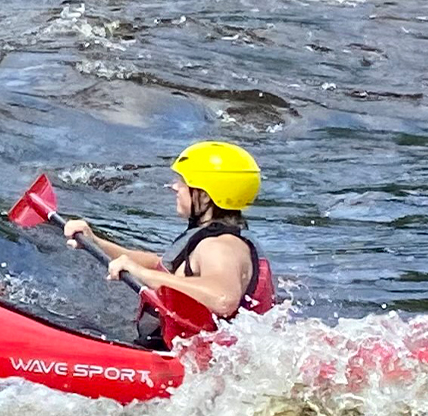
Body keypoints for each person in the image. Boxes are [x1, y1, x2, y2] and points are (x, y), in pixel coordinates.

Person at [59, 140, 275, 344]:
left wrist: (142, 274)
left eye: (183, 182)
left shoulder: (219, 246)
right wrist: (95, 242)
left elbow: (223, 298)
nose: (174, 187)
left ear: (206, 196)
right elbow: (159, 264)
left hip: (194, 369)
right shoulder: (211, 237)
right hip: (181, 354)